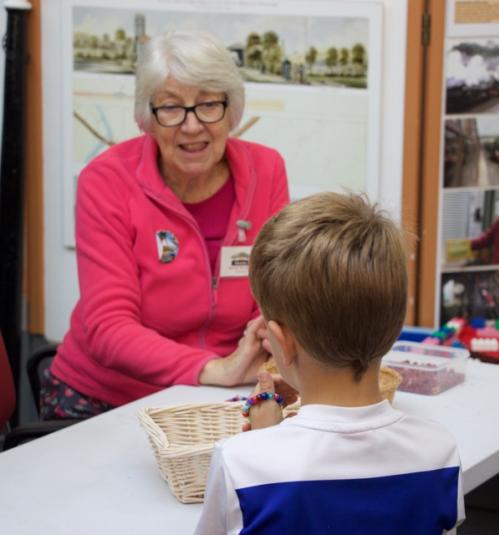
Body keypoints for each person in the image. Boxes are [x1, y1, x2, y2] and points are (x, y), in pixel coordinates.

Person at [40, 30, 289, 419]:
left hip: (222, 395)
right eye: (171, 108)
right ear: (148, 118)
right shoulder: (106, 182)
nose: (191, 126)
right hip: (106, 398)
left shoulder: (267, 170)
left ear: (231, 110)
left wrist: (265, 334)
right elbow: (109, 328)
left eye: (208, 104)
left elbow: (278, 294)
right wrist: (213, 369)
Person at [195, 192, 464, 534]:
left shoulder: (239, 462)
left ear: (281, 342)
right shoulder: (440, 450)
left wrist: (262, 445)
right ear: (395, 327)